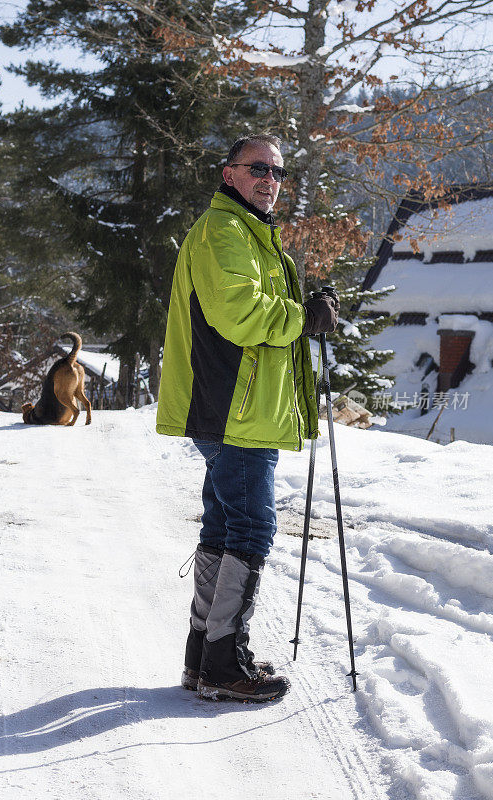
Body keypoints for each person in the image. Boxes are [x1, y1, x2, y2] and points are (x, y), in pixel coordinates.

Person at [156, 134, 339, 702]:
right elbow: (239, 314)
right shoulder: (224, 231)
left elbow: (261, 313)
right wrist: (303, 316)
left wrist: (304, 310)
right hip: (232, 408)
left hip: (238, 409)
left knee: (224, 526)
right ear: (229, 172)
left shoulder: (254, 236)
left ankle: (204, 654)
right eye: (257, 168)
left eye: (277, 172)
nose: (269, 179)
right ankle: (222, 663)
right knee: (252, 528)